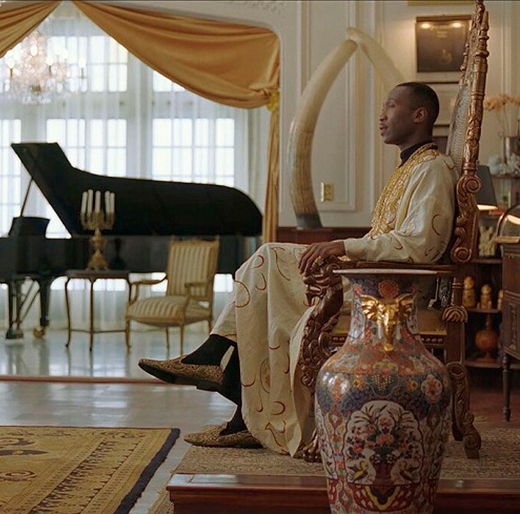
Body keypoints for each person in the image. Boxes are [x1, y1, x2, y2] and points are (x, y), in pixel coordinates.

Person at [139, 82, 458, 456]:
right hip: (366, 276)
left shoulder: (432, 169)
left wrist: (343, 246)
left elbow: (420, 245)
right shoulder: (409, 168)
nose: (381, 115)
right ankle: (236, 399)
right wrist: (346, 250)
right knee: (266, 272)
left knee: (269, 264)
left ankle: (222, 371)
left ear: (419, 114)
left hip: (385, 292)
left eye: (390, 106)